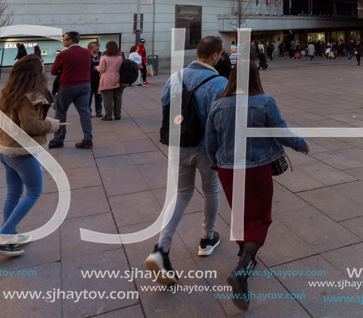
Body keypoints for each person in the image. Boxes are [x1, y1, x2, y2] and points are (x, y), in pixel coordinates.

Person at [205, 61, 309, 309]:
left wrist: (217, 164)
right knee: (260, 218)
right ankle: (242, 269)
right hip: (255, 168)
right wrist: (301, 144)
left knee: (240, 214)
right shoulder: (264, 102)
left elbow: (210, 143)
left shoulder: (217, 105)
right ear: (255, 77)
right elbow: (280, 132)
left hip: (227, 169)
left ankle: (244, 254)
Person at [145, 36, 228, 285]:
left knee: (181, 195)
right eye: (221, 55)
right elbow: (221, 119)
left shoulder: (175, 77)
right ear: (215, 55)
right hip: (206, 148)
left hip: (178, 144)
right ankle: (207, 239)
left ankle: (162, 247)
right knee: (211, 189)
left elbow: (164, 105)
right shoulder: (220, 82)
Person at [0, 54, 60, 257]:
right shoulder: (30, 95)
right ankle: (1, 238)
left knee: (13, 194)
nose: (44, 70)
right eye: (42, 68)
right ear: (35, 73)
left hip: (6, 151)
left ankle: (9, 235)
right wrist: (53, 125)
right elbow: (31, 125)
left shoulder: (10, 93)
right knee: (35, 191)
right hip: (21, 152)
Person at [48, 31, 93, 150]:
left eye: (64, 39)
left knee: (61, 113)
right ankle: (88, 139)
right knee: (85, 113)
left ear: (70, 41)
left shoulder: (63, 54)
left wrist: (63, 71)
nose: (63, 41)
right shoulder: (87, 52)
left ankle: (59, 139)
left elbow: (53, 71)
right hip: (85, 85)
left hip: (67, 86)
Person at [97, 41, 125, 119]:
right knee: (118, 98)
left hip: (107, 79)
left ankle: (108, 115)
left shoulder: (104, 57)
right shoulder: (122, 56)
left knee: (107, 98)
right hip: (120, 78)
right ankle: (118, 115)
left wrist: (97, 67)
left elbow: (102, 69)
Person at [88, 41, 103, 117]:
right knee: (88, 97)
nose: (98, 48)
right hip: (89, 79)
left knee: (99, 96)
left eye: (98, 46)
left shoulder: (101, 55)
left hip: (99, 79)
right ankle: (88, 112)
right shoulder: (86, 56)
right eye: (95, 46)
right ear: (90, 48)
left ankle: (99, 111)